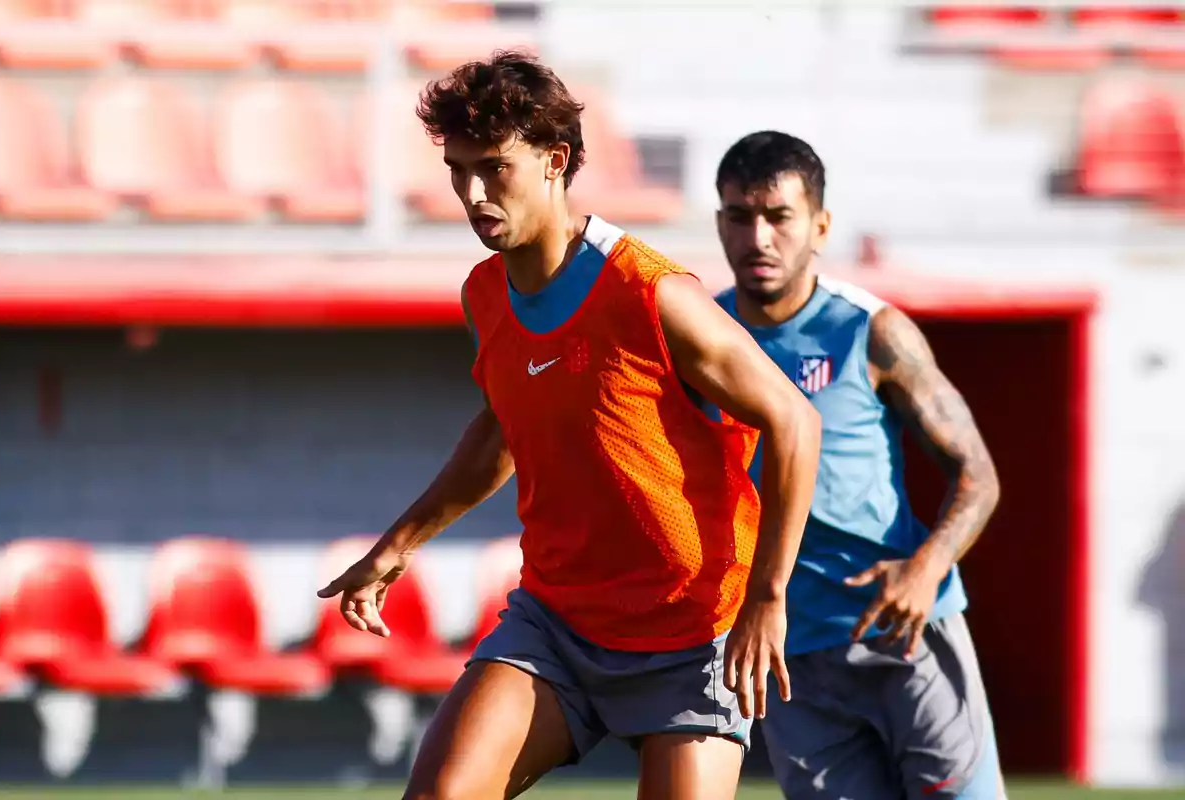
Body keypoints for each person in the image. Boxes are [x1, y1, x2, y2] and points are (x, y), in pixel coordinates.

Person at [317, 53, 823, 800]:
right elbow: (501, 431)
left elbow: (794, 420)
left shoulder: (651, 291)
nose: (472, 193)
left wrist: (768, 599)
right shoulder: (485, 293)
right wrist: (399, 545)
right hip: (558, 621)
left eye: (494, 168)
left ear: (555, 161)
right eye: (458, 170)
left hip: (695, 630)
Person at [710, 130, 1006, 799]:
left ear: (819, 225)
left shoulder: (872, 331)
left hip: (902, 631)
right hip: (787, 653)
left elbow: (978, 475)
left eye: (779, 217)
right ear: (719, 221)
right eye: (740, 215)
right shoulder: (705, 336)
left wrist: (927, 567)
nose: (758, 237)